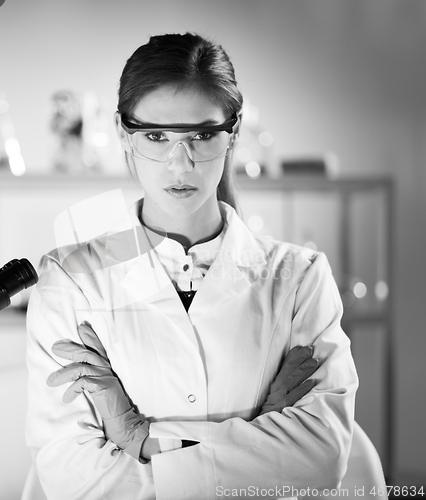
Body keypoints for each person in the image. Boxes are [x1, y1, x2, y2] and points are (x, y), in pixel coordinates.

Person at [26, 33, 358, 500]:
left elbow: (321, 459)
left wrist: (140, 439)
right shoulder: (69, 279)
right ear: (124, 135)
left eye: (201, 135)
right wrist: (259, 431)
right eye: (156, 136)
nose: (178, 163)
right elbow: (76, 481)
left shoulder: (300, 276)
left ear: (232, 135)